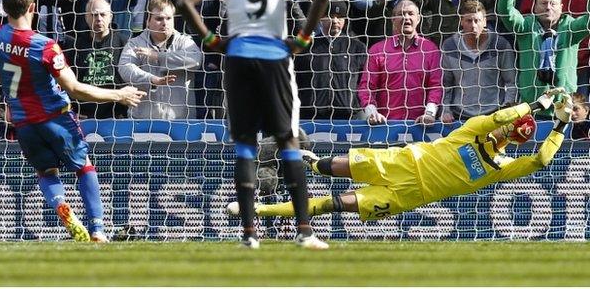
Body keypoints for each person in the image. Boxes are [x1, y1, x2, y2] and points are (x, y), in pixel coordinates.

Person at [177, 0, 330, 249]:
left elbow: (184, 2)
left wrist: (211, 40)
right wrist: (302, 39)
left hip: (238, 56)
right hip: (274, 56)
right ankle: (304, 231)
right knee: (287, 138)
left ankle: (249, 234)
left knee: (246, 142)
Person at [234, 89, 572, 222]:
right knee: (327, 166)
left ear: (513, 140)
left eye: (510, 133)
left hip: (408, 194)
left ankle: (256, 210)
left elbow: (542, 160)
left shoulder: (503, 166)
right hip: (400, 161)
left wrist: (559, 124)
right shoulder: (475, 128)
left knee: (332, 204)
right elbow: (499, 117)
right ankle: (301, 159)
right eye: (508, 125)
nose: (503, 130)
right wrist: (538, 104)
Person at [0, 0, 146, 242]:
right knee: (84, 168)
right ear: (32, 7)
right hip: (55, 118)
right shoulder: (45, 46)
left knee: (47, 173)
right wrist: (119, 94)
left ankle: (62, 207)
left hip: (23, 124)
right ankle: (97, 230)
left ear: (5, 7)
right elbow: (74, 88)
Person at [498, 0, 590, 116]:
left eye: (553, 4)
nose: (548, 7)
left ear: (561, 8)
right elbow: (505, 12)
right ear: (534, 7)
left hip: (564, 110)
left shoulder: (570, 28)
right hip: (531, 108)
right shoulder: (526, 27)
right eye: (543, 3)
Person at [118, 0, 203, 119]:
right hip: (142, 122)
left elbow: (195, 60)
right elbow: (124, 68)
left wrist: (158, 56)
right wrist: (151, 79)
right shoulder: (134, 43)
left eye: (169, 18)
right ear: (148, 21)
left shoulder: (185, 41)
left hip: (181, 123)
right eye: (159, 19)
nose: (164, 23)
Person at [360, 0, 442, 124]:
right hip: (385, 125)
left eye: (410, 13)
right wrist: (372, 113)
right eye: (401, 14)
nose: (406, 17)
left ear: (418, 19)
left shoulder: (430, 49)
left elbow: (436, 85)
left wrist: (429, 113)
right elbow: (366, 87)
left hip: (420, 125)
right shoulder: (378, 50)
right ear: (393, 19)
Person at [440, 0, 517, 122]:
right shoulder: (450, 46)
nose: (473, 25)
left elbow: (511, 83)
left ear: (485, 22)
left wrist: (506, 109)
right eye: (469, 21)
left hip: (494, 115)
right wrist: (446, 110)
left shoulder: (500, 45)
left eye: (477, 20)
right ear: (461, 21)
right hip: (460, 115)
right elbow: (446, 84)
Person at [294, 0, 368, 120]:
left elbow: (364, 82)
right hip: (311, 117)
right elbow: (296, 80)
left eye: (339, 17)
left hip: (348, 117)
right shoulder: (306, 46)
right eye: (330, 16)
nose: (335, 21)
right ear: (320, 18)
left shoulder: (357, 47)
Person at [69, 0, 129, 119]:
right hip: (84, 114)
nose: (99, 19)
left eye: (103, 14)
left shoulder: (123, 42)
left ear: (110, 17)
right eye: (94, 15)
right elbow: (69, 81)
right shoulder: (76, 46)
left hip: (115, 114)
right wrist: (73, 108)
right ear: (86, 17)